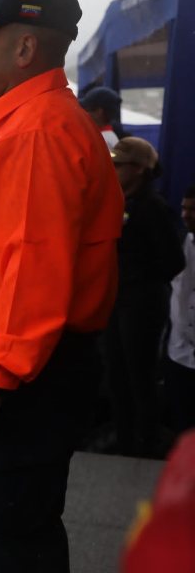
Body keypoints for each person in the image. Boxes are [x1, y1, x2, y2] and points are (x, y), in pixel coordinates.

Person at [0, 0, 125, 572]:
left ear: (24, 49)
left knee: (16, 544)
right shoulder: (30, 123)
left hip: (19, 377)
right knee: (16, 534)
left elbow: (34, 267)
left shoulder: (38, 131)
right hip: (25, 368)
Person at [103, 137, 185, 457]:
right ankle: (124, 438)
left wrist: (140, 282)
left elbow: (173, 261)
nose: (113, 170)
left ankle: (145, 442)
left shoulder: (152, 207)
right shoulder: (122, 202)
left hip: (141, 302)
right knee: (116, 372)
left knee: (139, 373)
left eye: (118, 165)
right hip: (118, 299)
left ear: (138, 169)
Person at [166, 185, 195, 432]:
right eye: (184, 208)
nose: (186, 215)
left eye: (193, 210)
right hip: (180, 351)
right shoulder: (178, 242)